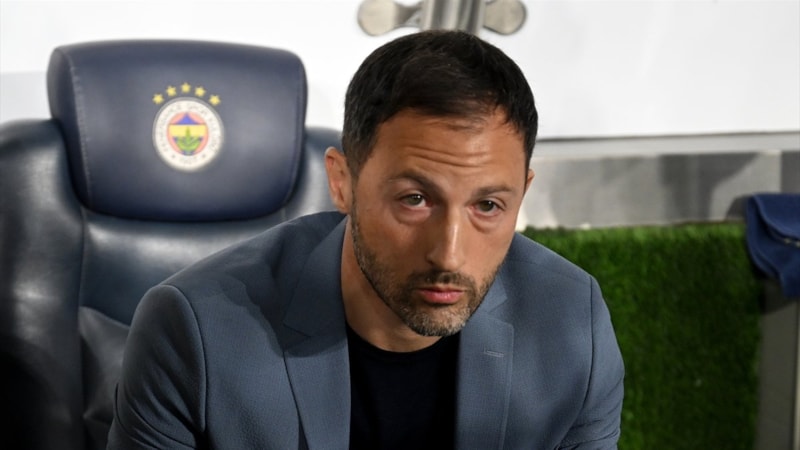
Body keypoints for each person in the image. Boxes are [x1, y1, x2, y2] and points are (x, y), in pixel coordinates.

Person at [108, 29, 624, 449]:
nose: (449, 253)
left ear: (522, 193)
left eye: (487, 206)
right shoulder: (195, 333)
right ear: (342, 183)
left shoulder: (571, 326)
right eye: (414, 199)